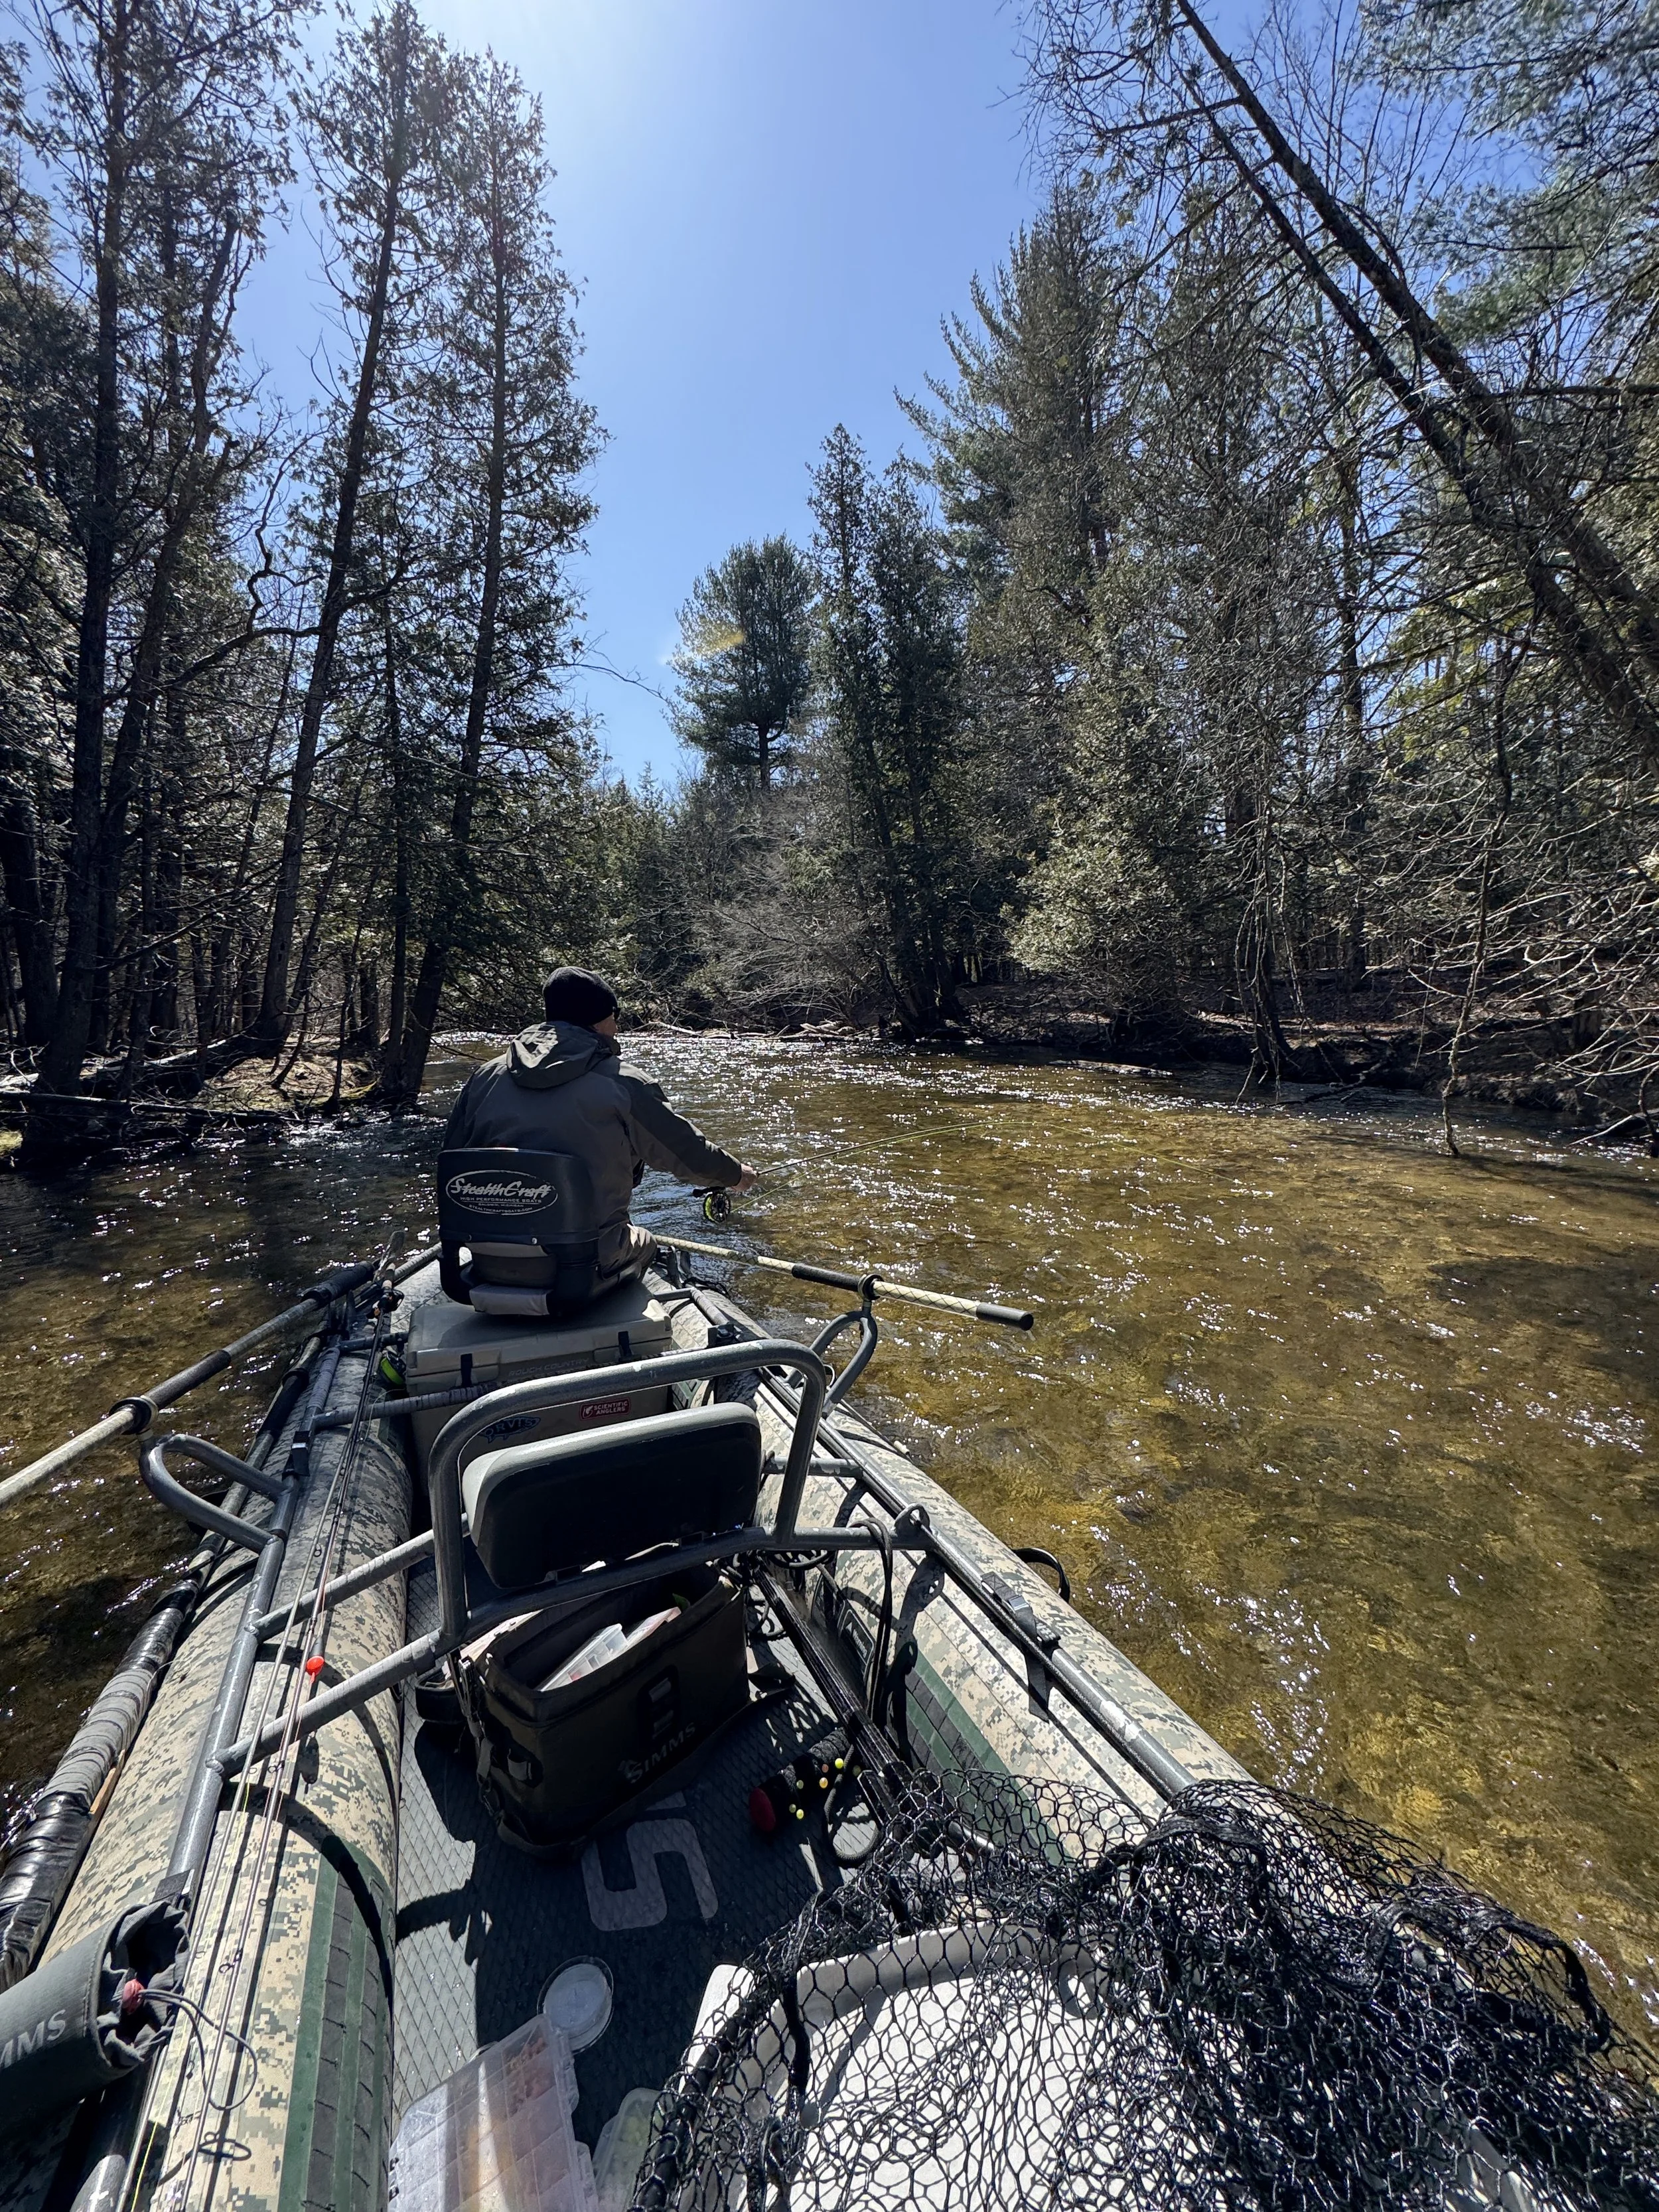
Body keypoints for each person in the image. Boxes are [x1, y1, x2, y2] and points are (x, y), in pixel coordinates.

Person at [441, 966, 757, 1296]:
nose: (617, 1027)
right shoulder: (625, 1084)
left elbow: (452, 1160)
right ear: (599, 1018)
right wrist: (736, 1174)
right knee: (645, 1242)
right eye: (615, 1016)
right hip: (578, 1270)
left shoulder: (484, 1078)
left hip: (488, 1263)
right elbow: (689, 1156)